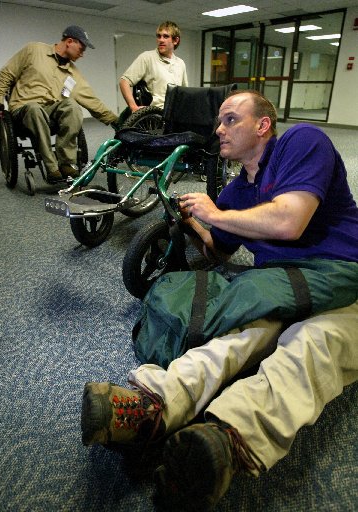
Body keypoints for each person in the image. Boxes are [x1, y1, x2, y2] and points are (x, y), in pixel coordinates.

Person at [80, 90, 358, 510]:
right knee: (235, 336)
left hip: (344, 276)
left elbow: (290, 220)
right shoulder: (233, 194)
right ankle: (153, 405)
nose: (219, 129)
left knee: (312, 346)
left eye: (230, 120)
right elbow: (218, 250)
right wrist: (193, 221)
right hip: (280, 283)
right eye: (219, 122)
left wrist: (215, 215)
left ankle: (229, 438)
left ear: (262, 126)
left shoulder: (302, 142)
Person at [0, 26, 118, 183]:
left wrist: (115, 121)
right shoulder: (34, 50)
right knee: (34, 108)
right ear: (69, 41)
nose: (82, 54)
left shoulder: (72, 73)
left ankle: (66, 164)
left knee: (72, 105)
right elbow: (7, 74)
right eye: (81, 48)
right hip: (22, 109)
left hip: (49, 110)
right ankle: (52, 168)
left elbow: (90, 99)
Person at [119, 20, 188, 113]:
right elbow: (124, 82)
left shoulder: (180, 63)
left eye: (166, 36)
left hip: (175, 113)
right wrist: (133, 107)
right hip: (154, 115)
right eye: (159, 36)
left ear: (175, 40)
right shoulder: (147, 57)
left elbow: (184, 93)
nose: (161, 40)